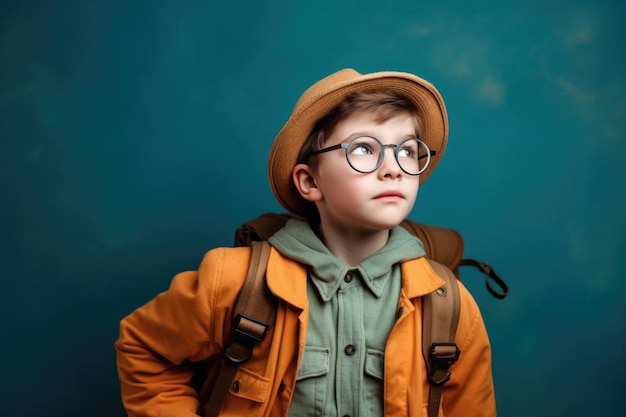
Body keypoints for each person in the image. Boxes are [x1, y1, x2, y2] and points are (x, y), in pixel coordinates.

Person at [115, 68, 496, 416]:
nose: (393, 167)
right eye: (364, 148)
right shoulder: (232, 280)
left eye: (408, 151)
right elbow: (143, 348)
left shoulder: (450, 305)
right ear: (310, 182)